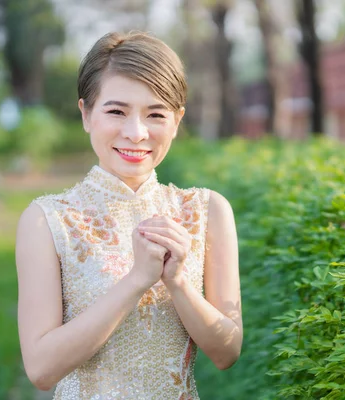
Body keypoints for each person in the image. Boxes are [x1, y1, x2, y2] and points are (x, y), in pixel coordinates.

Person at [15, 31, 242, 399]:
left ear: (177, 120)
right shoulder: (48, 220)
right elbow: (41, 369)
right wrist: (136, 281)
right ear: (86, 113)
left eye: (156, 114)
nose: (136, 133)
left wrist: (179, 282)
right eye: (116, 111)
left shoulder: (207, 210)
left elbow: (227, 352)